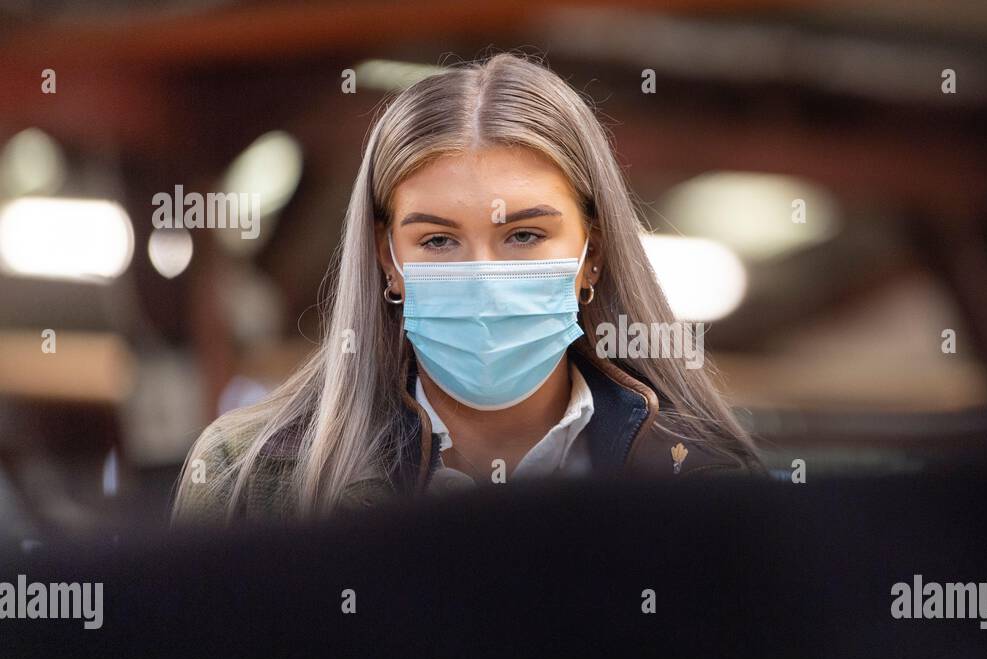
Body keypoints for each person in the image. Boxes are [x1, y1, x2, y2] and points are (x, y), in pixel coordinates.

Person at [172, 52, 763, 526]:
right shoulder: (253, 474)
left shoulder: (709, 479)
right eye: (437, 241)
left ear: (593, 254)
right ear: (389, 260)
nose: (483, 274)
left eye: (525, 234)